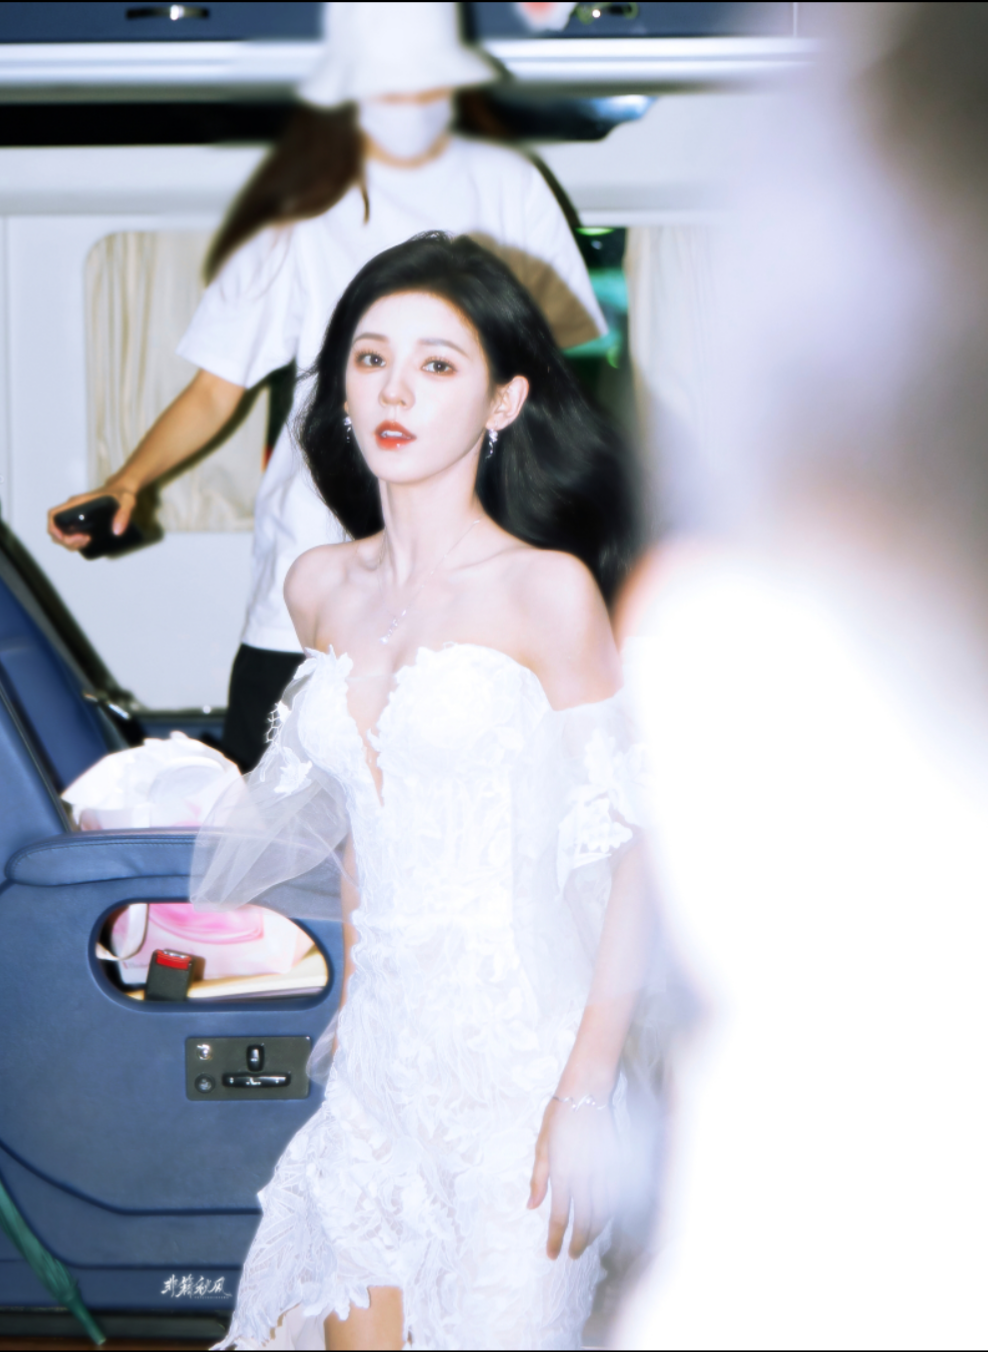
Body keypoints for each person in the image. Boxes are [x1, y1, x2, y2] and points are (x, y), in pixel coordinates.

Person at [191, 232, 658, 1351]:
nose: (394, 390)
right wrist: (357, 1026)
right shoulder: (318, 587)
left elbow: (636, 848)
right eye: (370, 358)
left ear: (504, 401)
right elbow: (365, 829)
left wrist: (586, 1089)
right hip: (381, 1070)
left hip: (527, 1067)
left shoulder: (546, 592)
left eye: (437, 364)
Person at [46, 1, 605, 772]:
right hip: (309, 565)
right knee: (270, 807)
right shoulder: (300, 200)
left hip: (468, 564)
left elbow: (556, 363)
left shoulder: (506, 184)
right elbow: (216, 386)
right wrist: (127, 482)